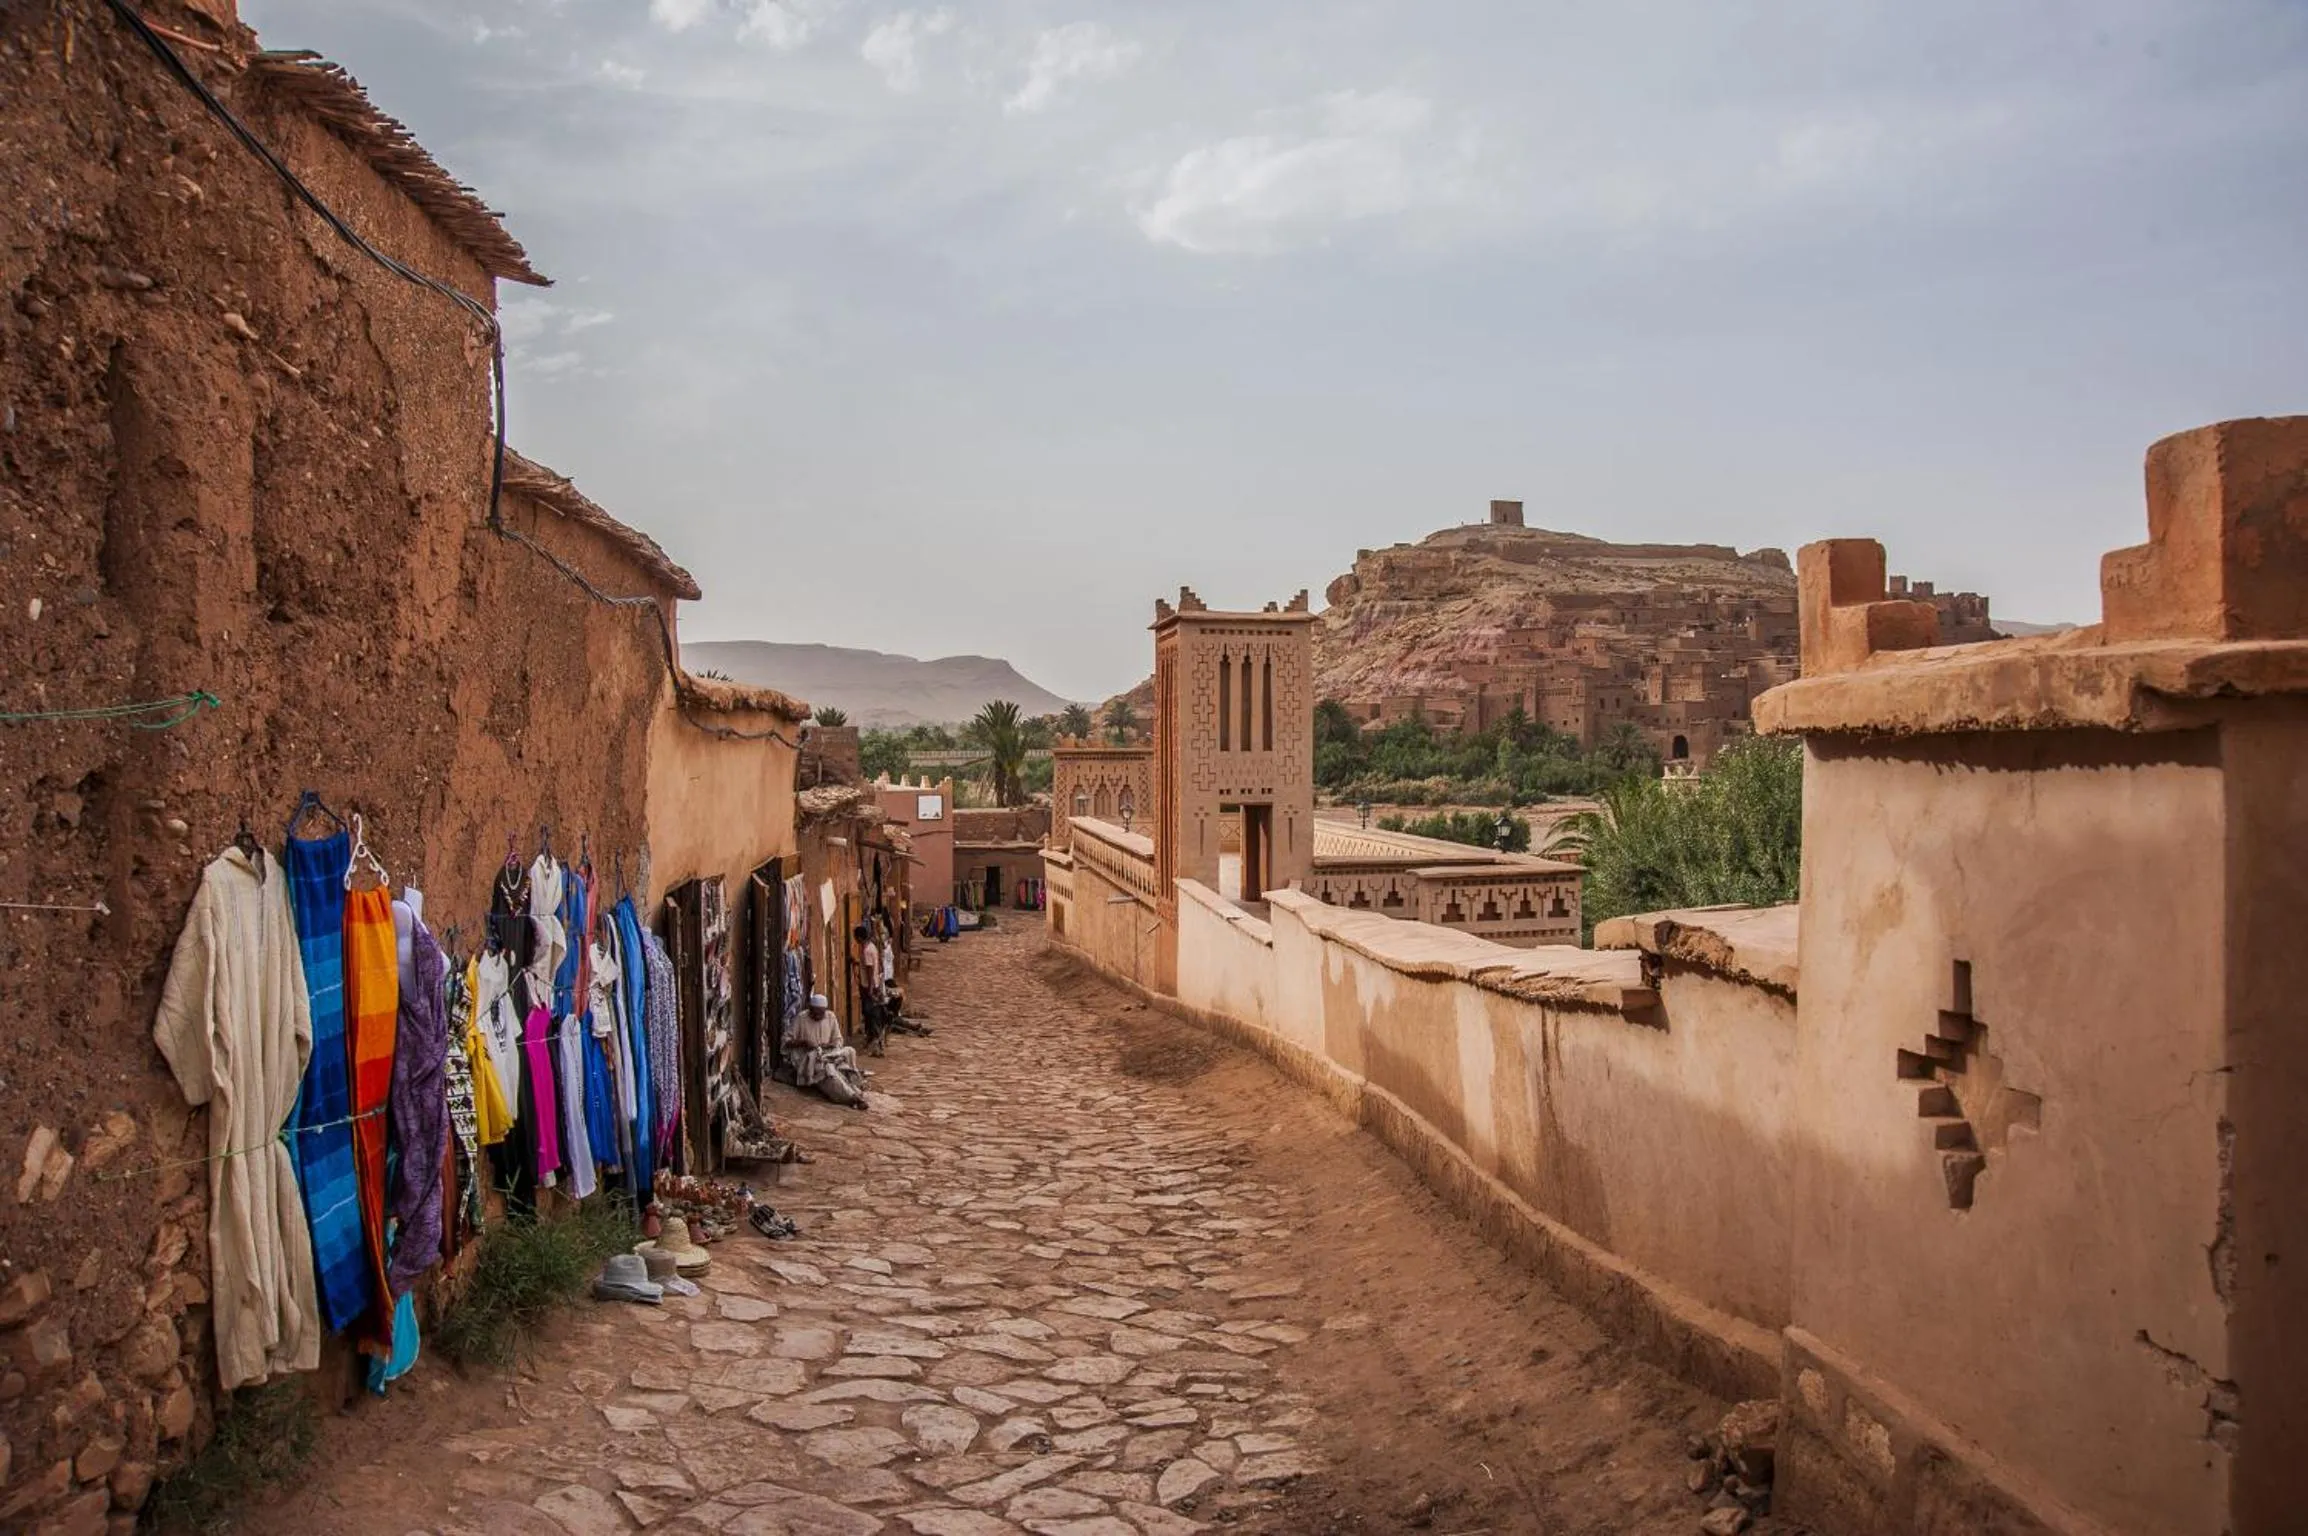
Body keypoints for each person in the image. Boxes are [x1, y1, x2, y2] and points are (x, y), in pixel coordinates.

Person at [786, 992, 868, 1109]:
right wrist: (804, 1042)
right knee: (827, 1070)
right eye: (815, 1013)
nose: (818, 1016)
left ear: (825, 1010)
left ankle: (854, 1092)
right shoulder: (801, 1018)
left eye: (821, 1013)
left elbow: (838, 1040)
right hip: (808, 1058)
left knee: (848, 1053)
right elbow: (786, 1041)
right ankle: (852, 1097)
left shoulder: (830, 1017)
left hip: (828, 1054)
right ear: (810, 1009)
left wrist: (828, 1045)